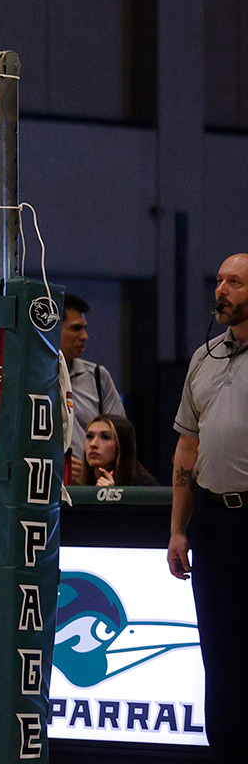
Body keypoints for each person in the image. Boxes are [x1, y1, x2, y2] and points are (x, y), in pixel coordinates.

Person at [167, 253, 248, 760]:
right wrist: (179, 530)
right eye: (219, 280)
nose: (221, 290)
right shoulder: (204, 357)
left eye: (234, 282)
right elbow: (186, 450)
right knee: (218, 653)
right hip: (214, 522)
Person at [59, 294, 126, 484]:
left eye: (84, 328)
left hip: (88, 489)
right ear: (52, 330)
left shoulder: (97, 376)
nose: (84, 336)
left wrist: (92, 474)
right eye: (76, 328)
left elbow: (122, 440)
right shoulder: (27, 379)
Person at [83, 415, 156, 487]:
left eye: (105, 437)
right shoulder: (78, 483)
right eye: (89, 436)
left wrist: (109, 495)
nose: (93, 444)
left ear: (122, 445)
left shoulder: (144, 486)